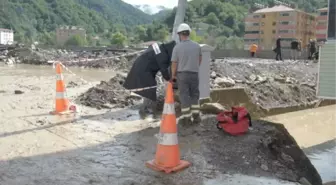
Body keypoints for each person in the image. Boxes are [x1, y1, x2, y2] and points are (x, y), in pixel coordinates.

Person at [171, 23, 202, 124]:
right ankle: (196, 117)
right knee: (195, 95)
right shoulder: (197, 46)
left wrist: (173, 76)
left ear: (180, 35)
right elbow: (199, 60)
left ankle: (187, 118)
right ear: (188, 33)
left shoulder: (177, 47)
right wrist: (194, 67)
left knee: (184, 96)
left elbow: (174, 63)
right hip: (194, 74)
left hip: (182, 75)